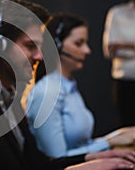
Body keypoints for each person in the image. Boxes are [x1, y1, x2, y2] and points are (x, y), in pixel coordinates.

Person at [0, 0, 135, 170]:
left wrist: (91, 158)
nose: (40, 56)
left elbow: (34, 164)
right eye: (30, 46)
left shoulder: (6, 98)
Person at [26, 12, 135, 159]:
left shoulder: (67, 85)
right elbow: (58, 159)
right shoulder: (48, 92)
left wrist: (119, 135)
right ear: (57, 46)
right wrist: (109, 143)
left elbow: (82, 146)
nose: (87, 50)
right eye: (78, 43)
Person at [102, 0, 135, 127]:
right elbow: (109, 50)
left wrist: (124, 45)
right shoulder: (117, 13)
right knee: (126, 127)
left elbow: (117, 47)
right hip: (124, 80)